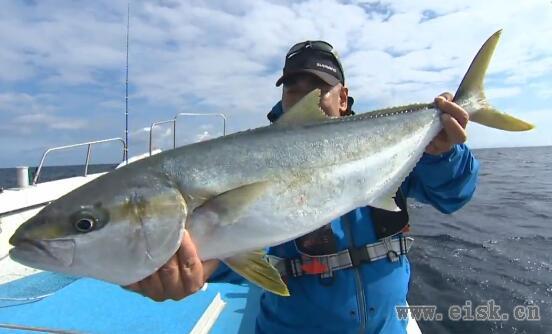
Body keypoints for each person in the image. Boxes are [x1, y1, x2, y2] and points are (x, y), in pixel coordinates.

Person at [126, 40, 478, 333]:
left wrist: (443, 152)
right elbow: (242, 247)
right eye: (294, 88)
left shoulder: (388, 145)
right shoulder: (248, 161)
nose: (306, 96)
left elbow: (453, 196)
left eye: (320, 87)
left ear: (343, 98)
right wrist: (205, 264)